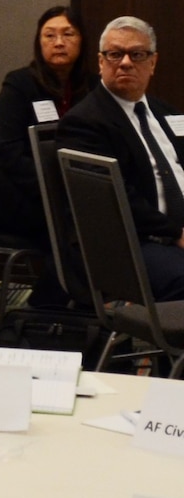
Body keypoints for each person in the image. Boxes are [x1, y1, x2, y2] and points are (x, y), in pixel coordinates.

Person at [56, 16, 184, 302]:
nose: (125, 62)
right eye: (115, 54)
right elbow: (113, 198)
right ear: (101, 62)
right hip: (129, 243)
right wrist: (177, 233)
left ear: (152, 63)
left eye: (137, 54)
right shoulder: (84, 123)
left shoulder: (166, 113)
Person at [0, 6, 97, 247]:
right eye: (50, 35)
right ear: (39, 42)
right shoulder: (19, 84)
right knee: (76, 226)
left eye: (68, 34)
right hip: (12, 189)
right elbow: (8, 152)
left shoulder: (94, 87)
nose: (59, 42)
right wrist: (57, 185)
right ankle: (62, 283)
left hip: (67, 191)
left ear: (82, 41)